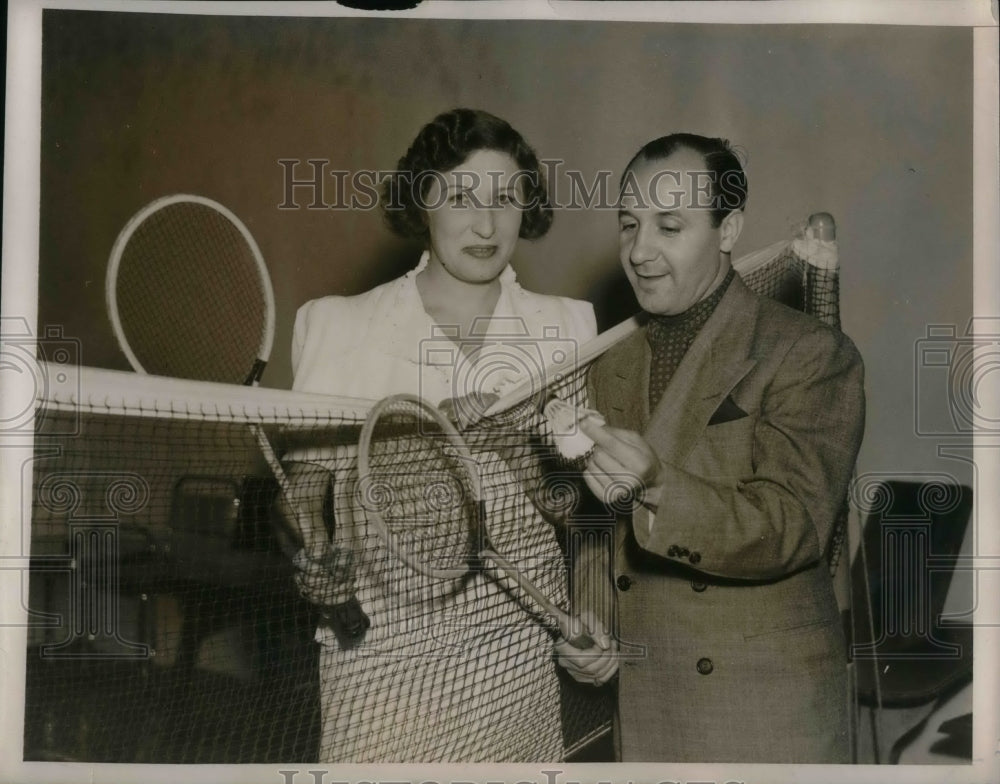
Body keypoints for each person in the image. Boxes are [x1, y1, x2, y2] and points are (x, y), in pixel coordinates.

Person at [284, 108, 597, 763]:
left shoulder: (567, 329)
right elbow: (302, 492)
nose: (487, 224)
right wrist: (311, 549)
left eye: (506, 198)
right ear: (421, 200)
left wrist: (513, 446)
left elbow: (580, 510)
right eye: (461, 196)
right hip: (377, 662)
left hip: (513, 660)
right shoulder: (338, 325)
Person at [556, 133, 865, 763]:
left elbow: (792, 524)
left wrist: (661, 486)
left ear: (729, 230)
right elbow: (601, 528)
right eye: (629, 224)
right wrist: (593, 618)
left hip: (764, 715)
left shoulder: (808, 352)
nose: (639, 252)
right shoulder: (609, 364)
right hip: (647, 710)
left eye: (669, 226)